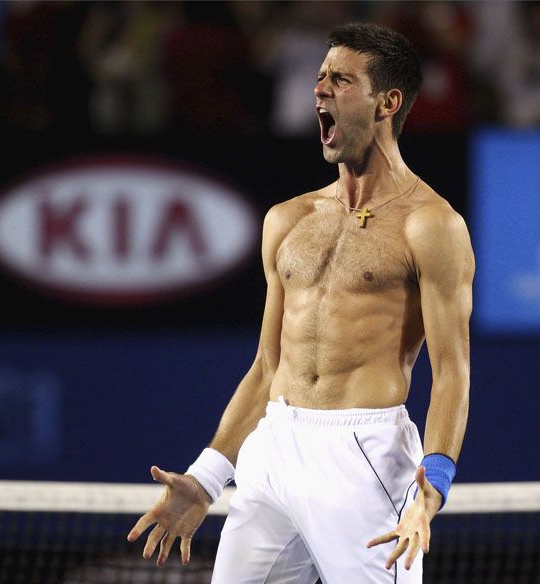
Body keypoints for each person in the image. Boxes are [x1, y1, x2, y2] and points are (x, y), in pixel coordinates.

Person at [127, 22, 474, 584]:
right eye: (319, 78)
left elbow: (452, 373)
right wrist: (208, 477)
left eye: (341, 80)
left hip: (362, 458)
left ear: (388, 102)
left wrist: (430, 490)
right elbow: (269, 367)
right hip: (273, 449)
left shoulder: (431, 226)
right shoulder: (287, 220)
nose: (320, 90)